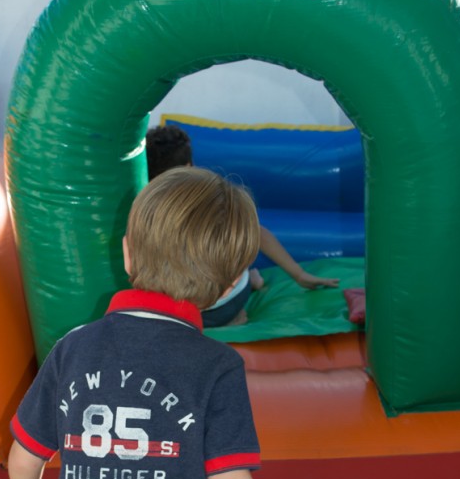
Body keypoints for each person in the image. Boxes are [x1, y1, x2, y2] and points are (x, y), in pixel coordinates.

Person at [8, 166, 356, 479]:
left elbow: (25, 455)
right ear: (232, 283)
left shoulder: (73, 348)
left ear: (127, 252)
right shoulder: (215, 365)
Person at [146, 124, 340, 327]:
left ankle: (237, 300)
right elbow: (257, 234)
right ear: (189, 165)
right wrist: (299, 275)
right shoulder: (209, 195)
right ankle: (243, 296)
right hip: (230, 303)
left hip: (187, 314)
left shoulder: (147, 208)